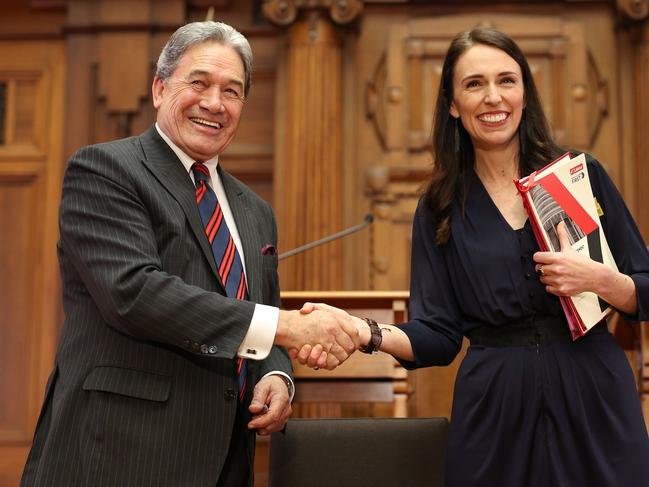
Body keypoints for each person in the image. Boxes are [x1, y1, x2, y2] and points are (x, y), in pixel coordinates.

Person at [298, 27, 649, 487]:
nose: (492, 97)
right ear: (452, 104)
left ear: (525, 93)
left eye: (507, 80)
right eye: (474, 84)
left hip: (594, 394)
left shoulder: (578, 177)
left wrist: (602, 281)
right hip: (494, 408)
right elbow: (439, 335)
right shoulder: (439, 205)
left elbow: (644, 288)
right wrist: (365, 332)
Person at [21, 21, 357, 487]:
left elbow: (262, 315)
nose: (214, 103)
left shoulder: (255, 211)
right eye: (198, 83)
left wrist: (278, 377)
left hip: (224, 458)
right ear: (160, 89)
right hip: (118, 454)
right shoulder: (105, 170)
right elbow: (134, 292)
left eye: (232, 91)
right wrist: (288, 326)